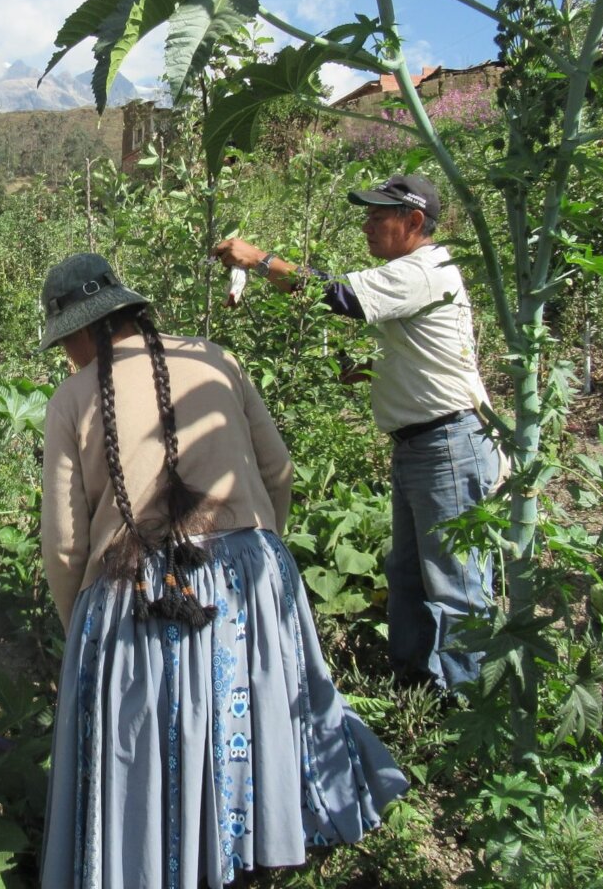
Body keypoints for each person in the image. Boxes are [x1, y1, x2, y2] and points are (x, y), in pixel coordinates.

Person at [38, 253, 408, 889]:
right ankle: (258, 846)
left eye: (64, 342)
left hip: (139, 590)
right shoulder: (215, 358)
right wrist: (262, 557)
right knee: (252, 715)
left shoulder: (72, 398)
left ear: (81, 331)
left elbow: (67, 546)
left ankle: (167, 861)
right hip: (249, 572)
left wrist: (85, 635)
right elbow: (277, 472)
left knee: (158, 743)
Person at [215, 174, 501, 693]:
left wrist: (260, 260)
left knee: (455, 583)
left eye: (378, 217)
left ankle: (469, 706)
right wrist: (368, 371)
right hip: (424, 444)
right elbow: (418, 350)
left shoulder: (425, 268)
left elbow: (339, 296)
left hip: (450, 446)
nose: (366, 226)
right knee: (409, 573)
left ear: (414, 222)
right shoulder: (411, 274)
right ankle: (416, 686)